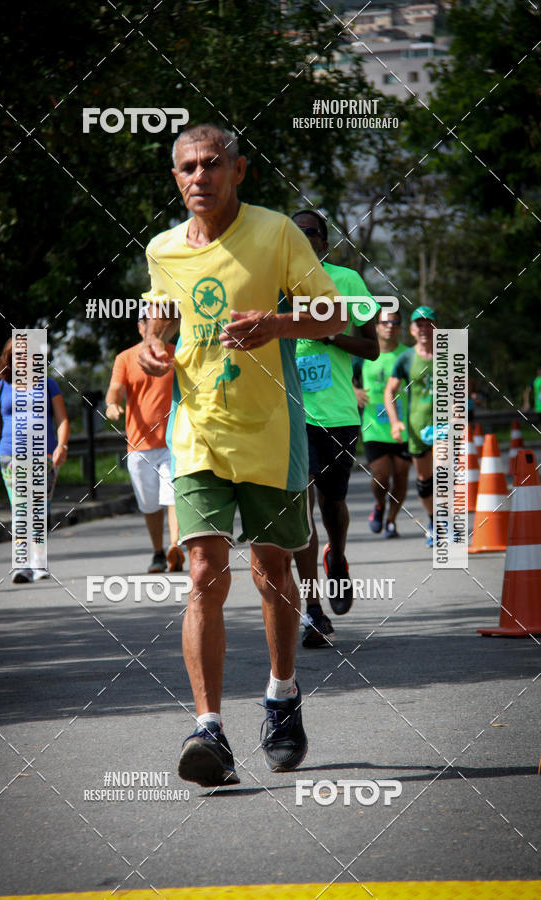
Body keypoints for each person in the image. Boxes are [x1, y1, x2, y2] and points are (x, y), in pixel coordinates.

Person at [137, 123, 347, 787]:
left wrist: (278, 324)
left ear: (239, 171)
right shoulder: (163, 248)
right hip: (196, 433)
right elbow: (157, 320)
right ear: (176, 179)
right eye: (186, 169)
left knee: (271, 570)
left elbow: (334, 316)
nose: (199, 177)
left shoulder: (276, 232)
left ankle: (282, 696)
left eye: (211, 165)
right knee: (202, 569)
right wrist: (151, 346)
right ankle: (210, 730)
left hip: (271, 433)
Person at [290, 210, 379, 649]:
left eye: (309, 234)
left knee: (332, 505)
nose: (302, 240)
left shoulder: (346, 282)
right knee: (299, 508)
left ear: (324, 243)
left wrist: (329, 336)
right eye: (294, 234)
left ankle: (338, 557)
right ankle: (312, 611)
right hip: (290, 416)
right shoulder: (273, 286)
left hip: (339, 414)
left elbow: (373, 348)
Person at [0, 338, 70, 582]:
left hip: (45, 455)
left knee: (40, 510)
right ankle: (22, 564)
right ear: (8, 359)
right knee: (21, 510)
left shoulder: (48, 385)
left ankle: (38, 562)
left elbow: (62, 420)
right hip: (11, 456)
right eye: (17, 354)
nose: (24, 358)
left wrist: (62, 445)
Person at [105, 315, 184, 573]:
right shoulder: (126, 358)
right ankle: (158, 553)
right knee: (149, 504)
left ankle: (175, 547)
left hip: (173, 441)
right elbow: (116, 387)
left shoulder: (178, 353)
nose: (153, 326)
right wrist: (112, 403)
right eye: (146, 322)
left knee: (172, 496)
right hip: (139, 446)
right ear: (140, 328)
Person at [353, 307, 410, 539]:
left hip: (404, 428)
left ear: (400, 328)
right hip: (373, 427)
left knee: (402, 476)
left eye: (395, 323)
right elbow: (343, 375)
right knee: (381, 476)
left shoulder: (408, 355)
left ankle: (391, 520)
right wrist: (353, 389)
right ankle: (379, 505)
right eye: (385, 322)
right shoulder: (364, 355)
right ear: (376, 327)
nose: (390, 326)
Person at [384, 306, 435, 546]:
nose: (425, 329)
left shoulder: (449, 354)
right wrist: (395, 422)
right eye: (420, 325)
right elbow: (389, 392)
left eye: (429, 324)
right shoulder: (406, 358)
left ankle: (446, 524)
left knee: (446, 477)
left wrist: (458, 410)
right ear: (413, 331)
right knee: (425, 481)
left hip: (446, 428)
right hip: (418, 429)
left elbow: (462, 386)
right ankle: (434, 519)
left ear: (437, 328)